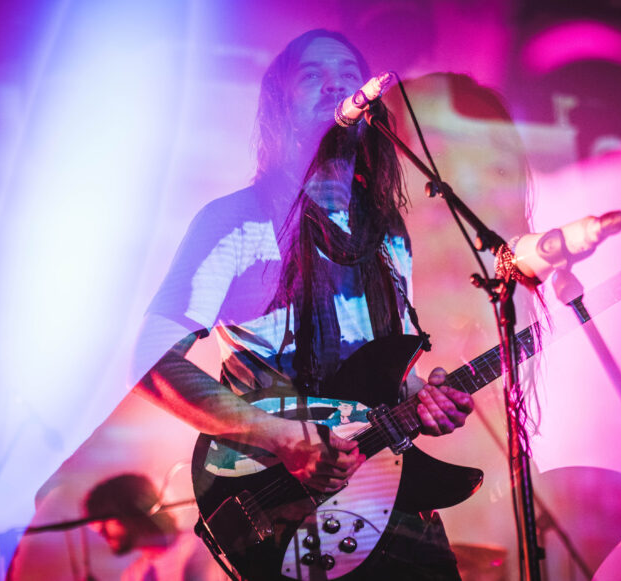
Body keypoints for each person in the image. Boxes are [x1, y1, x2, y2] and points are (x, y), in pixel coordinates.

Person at [130, 29, 474, 579]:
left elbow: (381, 375)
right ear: (279, 107)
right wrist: (282, 438)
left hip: (396, 504)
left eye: (347, 74)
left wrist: (426, 401)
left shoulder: (387, 231)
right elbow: (148, 361)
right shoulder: (237, 223)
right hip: (288, 511)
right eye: (313, 75)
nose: (337, 84)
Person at [83, 473, 213, 581]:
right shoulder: (132, 575)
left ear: (130, 511)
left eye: (104, 523)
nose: (100, 532)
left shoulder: (198, 546)